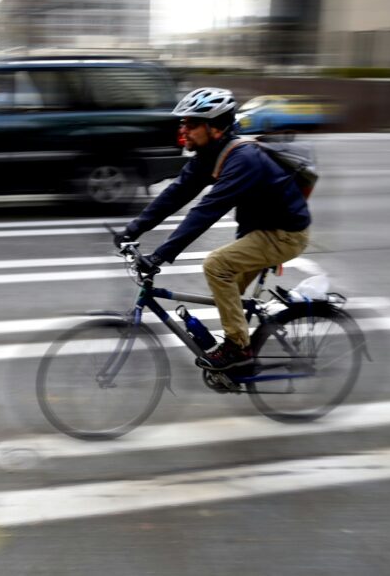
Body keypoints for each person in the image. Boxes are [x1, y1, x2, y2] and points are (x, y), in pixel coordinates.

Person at [114, 88, 311, 374]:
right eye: (183, 123)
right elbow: (176, 194)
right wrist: (132, 230)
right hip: (259, 231)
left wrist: (159, 256)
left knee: (217, 266)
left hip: (284, 234)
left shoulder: (243, 159)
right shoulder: (210, 155)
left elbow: (206, 211)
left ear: (215, 127)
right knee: (229, 292)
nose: (184, 130)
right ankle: (238, 358)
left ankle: (237, 349)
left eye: (191, 124)